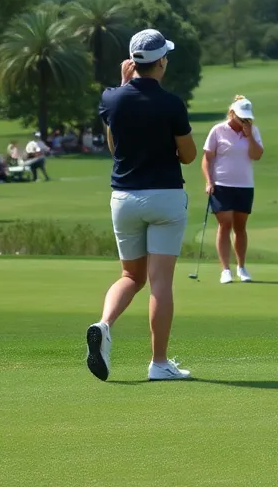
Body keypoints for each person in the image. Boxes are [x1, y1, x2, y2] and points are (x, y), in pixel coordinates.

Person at [85, 29, 198, 383]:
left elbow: (114, 146)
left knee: (130, 276)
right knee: (159, 282)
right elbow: (189, 156)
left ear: (133, 63)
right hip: (164, 196)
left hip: (124, 198)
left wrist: (121, 84)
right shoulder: (172, 103)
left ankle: (103, 325)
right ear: (161, 62)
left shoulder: (111, 99)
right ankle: (158, 363)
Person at [202, 95, 264, 284]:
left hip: (244, 185)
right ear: (232, 114)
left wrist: (249, 136)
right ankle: (225, 269)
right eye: (241, 118)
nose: (244, 121)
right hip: (221, 184)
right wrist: (209, 181)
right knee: (225, 223)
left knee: (240, 227)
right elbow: (207, 159)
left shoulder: (253, 130)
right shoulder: (218, 130)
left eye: (247, 118)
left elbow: (257, 155)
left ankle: (242, 267)